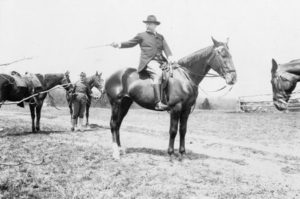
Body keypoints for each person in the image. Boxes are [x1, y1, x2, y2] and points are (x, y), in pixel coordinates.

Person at [111, 15, 176, 110]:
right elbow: (130, 43)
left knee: (172, 73)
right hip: (149, 61)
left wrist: (170, 57)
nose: (150, 25)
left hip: (161, 61)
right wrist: (119, 44)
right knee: (158, 73)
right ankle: (158, 103)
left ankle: (170, 99)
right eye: (148, 24)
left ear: (155, 25)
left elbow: (166, 48)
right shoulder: (141, 35)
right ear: (146, 25)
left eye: (152, 24)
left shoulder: (160, 37)